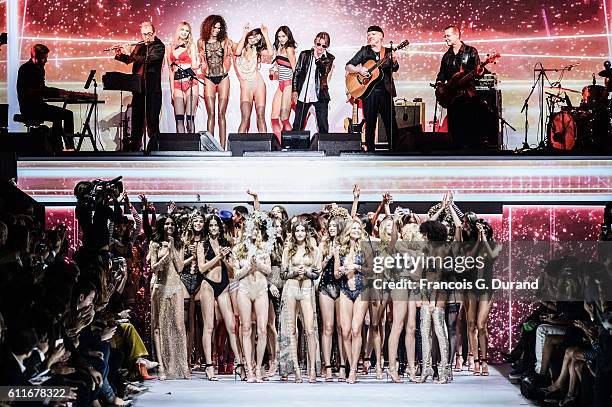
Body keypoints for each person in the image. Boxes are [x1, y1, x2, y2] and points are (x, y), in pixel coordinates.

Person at [16, 44, 84, 151]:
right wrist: (58, 92)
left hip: (37, 106)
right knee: (67, 114)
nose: (46, 61)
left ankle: (56, 145)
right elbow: (37, 90)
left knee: (58, 117)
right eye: (44, 58)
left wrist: (57, 93)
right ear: (36, 56)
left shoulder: (37, 69)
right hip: (31, 108)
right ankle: (69, 146)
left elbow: (41, 89)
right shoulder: (27, 69)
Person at [148, 215, 190, 380]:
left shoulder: (179, 243)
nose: (170, 226)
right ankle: (162, 367)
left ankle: (182, 366)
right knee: (159, 328)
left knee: (179, 326)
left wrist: (172, 248)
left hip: (176, 288)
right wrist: (165, 256)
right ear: (161, 226)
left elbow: (180, 267)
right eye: (166, 224)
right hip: (160, 288)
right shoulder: (155, 244)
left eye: (172, 224)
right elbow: (154, 269)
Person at [279, 220, 321, 383]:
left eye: (303, 230)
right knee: (292, 331)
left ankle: (311, 370)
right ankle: (296, 371)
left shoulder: (314, 250)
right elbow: (283, 273)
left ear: (307, 232)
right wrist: (295, 271)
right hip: (291, 288)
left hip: (306, 289)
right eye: (297, 231)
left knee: (310, 330)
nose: (300, 233)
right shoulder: (288, 249)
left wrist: (308, 271)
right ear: (293, 232)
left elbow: (317, 273)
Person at [346, 26, 399, 152]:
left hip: (385, 92)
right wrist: (359, 69)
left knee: (390, 124)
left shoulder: (387, 52)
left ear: (381, 36)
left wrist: (395, 61)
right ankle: (370, 152)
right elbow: (348, 66)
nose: (370, 36)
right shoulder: (364, 51)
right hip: (368, 93)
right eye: (368, 34)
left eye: (373, 34)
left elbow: (395, 68)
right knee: (370, 125)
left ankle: (396, 152)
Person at [115, 21, 165, 152]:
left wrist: (131, 52)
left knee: (152, 121)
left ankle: (155, 149)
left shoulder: (159, 46)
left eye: (149, 34)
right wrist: (121, 54)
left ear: (154, 32)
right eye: (144, 34)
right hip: (138, 89)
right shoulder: (139, 45)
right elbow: (130, 60)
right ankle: (135, 148)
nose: (146, 37)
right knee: (137, 121)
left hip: (152, 90)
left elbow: (147, 60)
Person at [435, 25, 484, 149]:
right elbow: (441, 74)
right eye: (444, 36)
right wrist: (439, 85)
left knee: (470, 130)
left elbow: (478, 74)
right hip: (452, 99)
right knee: (454, 131)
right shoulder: (447, 56)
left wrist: (480, 73)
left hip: (468, 96)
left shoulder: (471, 51)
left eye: (448, 36)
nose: (445, 38)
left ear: (457, 35)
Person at [198, 15, 233, 149]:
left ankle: (223, 148)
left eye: (219, 28)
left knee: (221, 114)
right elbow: (202, 60)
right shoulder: (201, 42)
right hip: (209, 78)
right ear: (208, 27)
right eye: (214, 27)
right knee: (210, 114)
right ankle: (210, 148)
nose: (217, 30)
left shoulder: (224, 41)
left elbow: (227, 58)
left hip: (223, 77)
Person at [291, 32, 335, 134]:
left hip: (320, 94)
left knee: (323, 125)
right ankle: (294, 147)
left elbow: (324, 71)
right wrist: (294, 90)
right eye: (318, 44)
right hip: (304, 94)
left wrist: (317, 59)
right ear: (315, 42)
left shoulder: (329, 58)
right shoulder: (304, 54)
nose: (320, 47)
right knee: (298, 124)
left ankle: (325, 148)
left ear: (327, 46)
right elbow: (297, 72)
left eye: (323, 45)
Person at [234, 24, 273, 133]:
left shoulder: (257, 49)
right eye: (253, 36)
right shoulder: (240, 46)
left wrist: (265, 35)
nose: (254, 39)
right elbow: (237, 52)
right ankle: (237, 148)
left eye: (257, 38)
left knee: (261, 116)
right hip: (246, 86)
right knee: (245, 118)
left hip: (258, 84)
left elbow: (270, 53)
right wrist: (244, 34)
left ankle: (266, 148)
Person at [167, 21, 199, 133]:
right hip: (177, 84)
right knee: (179, 119)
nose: (184, 33)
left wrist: (198, 62)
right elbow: (170, 71)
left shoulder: (191, 46)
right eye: (182, 30)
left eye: (187, 31)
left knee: (190, 119)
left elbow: (194, 65)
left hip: (190, 82)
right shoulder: (170, 47)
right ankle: (181, 147)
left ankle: (193, 149)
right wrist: (172, 91)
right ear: (178, 31)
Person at [269, 26, 297, 142]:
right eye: (279, 36)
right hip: (281, 84)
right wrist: (274, 69)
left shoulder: (289, 49)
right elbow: (280, 63)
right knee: (274, 118)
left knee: (284, 118)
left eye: (283, 36)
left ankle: (291, 144)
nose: (281, 39)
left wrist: (295, 90)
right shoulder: (278, 47)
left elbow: (295, 69)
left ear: (288, 36)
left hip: (289, 84)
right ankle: (281, 143)